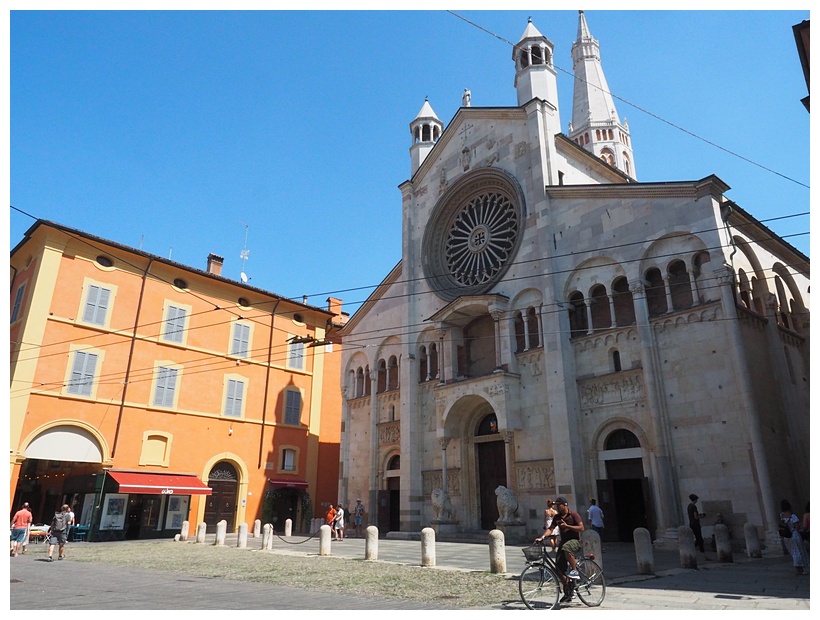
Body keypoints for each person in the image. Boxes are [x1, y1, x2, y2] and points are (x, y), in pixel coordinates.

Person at [535, 496, 584, 604]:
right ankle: (569, 589)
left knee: (567, 547)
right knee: (558, 568)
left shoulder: (574, 515)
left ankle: (574, 571)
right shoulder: (557, 517)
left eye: (559, 505)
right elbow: (550, 529)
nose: (557, 506)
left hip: (575, 541)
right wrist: (542, 537)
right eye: (556, 505)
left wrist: (567, 526)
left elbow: (581, 528)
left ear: (565, 505)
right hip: (564, 542)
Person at [780, 499, 809, 575]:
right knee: (799, 551)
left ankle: (797, 568)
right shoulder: (793, 516)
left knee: (793, 552)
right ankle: (801, 569)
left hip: (787, 537)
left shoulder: (782, 516)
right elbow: (797, 527)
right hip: (794, 535)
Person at [687, 493, 708, 559]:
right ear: (695, 499)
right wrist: (702, 516)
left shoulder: (689, 506)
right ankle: (703, 555)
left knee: (698, 539)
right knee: (699, 539)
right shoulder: (694, 506)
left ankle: (703, 555)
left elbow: (692, 515)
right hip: (696, 524)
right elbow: (696, 517)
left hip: (691, 524)